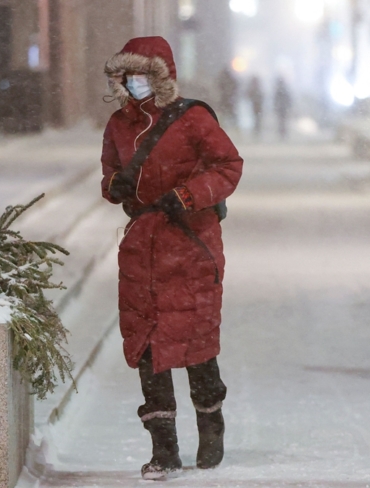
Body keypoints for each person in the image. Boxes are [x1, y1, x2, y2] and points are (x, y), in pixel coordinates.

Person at [101, 36, 243, 480]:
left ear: (161, 76)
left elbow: (228, 166)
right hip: (142, 246)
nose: (134, 83)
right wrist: (114, 188)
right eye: (127, 76)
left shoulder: (193, 118)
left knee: (195, 340)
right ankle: (163, 450)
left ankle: (210, 423)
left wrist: (187, 195)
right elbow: (109, 170)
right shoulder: (118, 125)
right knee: (147, 345)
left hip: (190, 242)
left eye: (142, 75)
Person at [274, 76, 292, 140]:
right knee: (282, 122)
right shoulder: (282, 89)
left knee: (282, 122)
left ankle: (282, 134)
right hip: (283, 108)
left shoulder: (279, 90)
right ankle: (282, 134)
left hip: (282, 108)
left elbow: (276, 100)